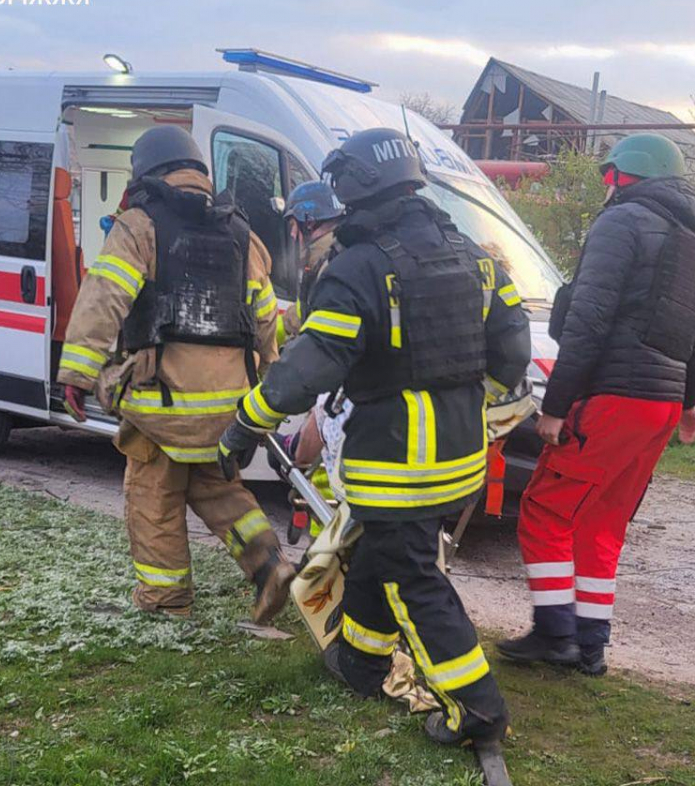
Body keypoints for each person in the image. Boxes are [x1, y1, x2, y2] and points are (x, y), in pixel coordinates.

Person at [219, 127, 532, 748]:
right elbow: (513, 351)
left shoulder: (358, 268)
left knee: (410, 579)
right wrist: (467, 401)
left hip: (397, 464)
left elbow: (307, 368)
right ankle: (360, 662)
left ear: (355, 187)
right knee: (383, 555)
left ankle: (476, 710)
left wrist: (244, 423)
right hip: (462, 457)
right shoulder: (473, 254)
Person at [57, 125, 293, 622]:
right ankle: (269, 564)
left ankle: (165, 602)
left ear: (143, 171)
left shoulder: (139, 226)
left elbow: (105, 298)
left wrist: (77, 373)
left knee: (153, 497)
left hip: (160, 405)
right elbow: (266, 318)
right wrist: (267, 378)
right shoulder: (240, 233)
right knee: (220, 488)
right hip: (227, 406)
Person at [497, 133, 695, 678]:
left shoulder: (622, 223)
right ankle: (591, 645)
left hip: (614, 394)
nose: (607, 186)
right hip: (660, 403)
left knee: (544, 510)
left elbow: (588, 318)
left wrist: (556, 406)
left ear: (625, 176)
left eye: (610, 175)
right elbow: (691, 331)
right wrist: (689, 400)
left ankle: (555, 633)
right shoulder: (693, 240)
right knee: (601, 523)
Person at [278, 178, 345, 345]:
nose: (292, 234)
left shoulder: (331, 270)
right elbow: (303, 311)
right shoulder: (324, 261)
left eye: (294, 225)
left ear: (309, 223)